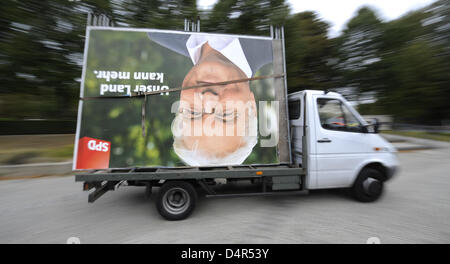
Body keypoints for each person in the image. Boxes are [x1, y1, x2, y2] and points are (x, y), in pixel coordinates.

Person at [147, 32, 272, 166]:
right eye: (225, 114)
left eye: (193, 113)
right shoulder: (277, 41)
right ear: (252, 107)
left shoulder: (159, 31)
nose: (208, 98)